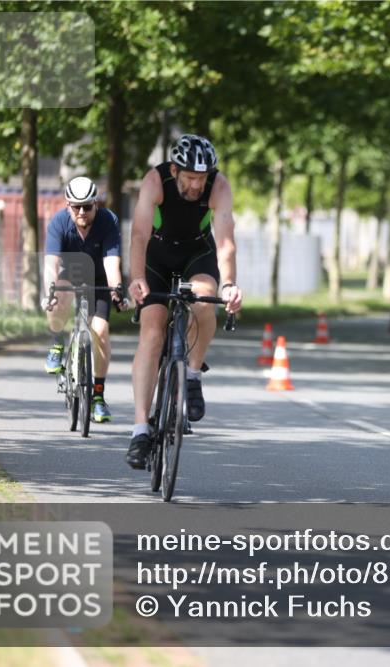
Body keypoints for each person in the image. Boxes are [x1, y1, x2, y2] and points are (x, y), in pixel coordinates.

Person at [125, 134, 242, 469]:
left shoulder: (218, 187)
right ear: (175, 170)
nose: (195, 185)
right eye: (190, 178)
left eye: (201, 178)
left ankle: (192, 376)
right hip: (156, 256)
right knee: (151, 333)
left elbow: (225, 242)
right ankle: (140, 430)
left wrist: (230, 283)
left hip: (197, 253)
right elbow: (139, 235)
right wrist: (136, 279)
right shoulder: (154, 182)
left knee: (205, 300)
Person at [42, 176, 124, 423]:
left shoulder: (108, 221)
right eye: (75, 206)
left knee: (100, 331)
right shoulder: (58, 223)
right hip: (69, 276)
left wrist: (117, 289)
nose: (81, 212)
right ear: (67, 205)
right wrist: (50, 291)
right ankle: (57, 344)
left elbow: (112, 262)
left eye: (87, 206)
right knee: (59, 292)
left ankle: (98, 397)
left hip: (98, 281)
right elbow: (51, 264)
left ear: (95, 204)